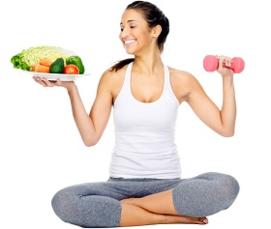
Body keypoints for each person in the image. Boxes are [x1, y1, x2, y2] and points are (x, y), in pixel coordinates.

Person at [33, 1, 240, 228]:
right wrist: (71, 88)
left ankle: (131, 210)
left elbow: (225, 128)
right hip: (119, 186)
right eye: (121, 27)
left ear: (155, 30)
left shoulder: (182, 80)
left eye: (131, 26)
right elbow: (90, 138)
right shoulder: (113, 77)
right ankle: (169, 217)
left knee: (226, 185)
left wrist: (227, 79)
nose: (123, 34)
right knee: (64, 201)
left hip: (169, 187)